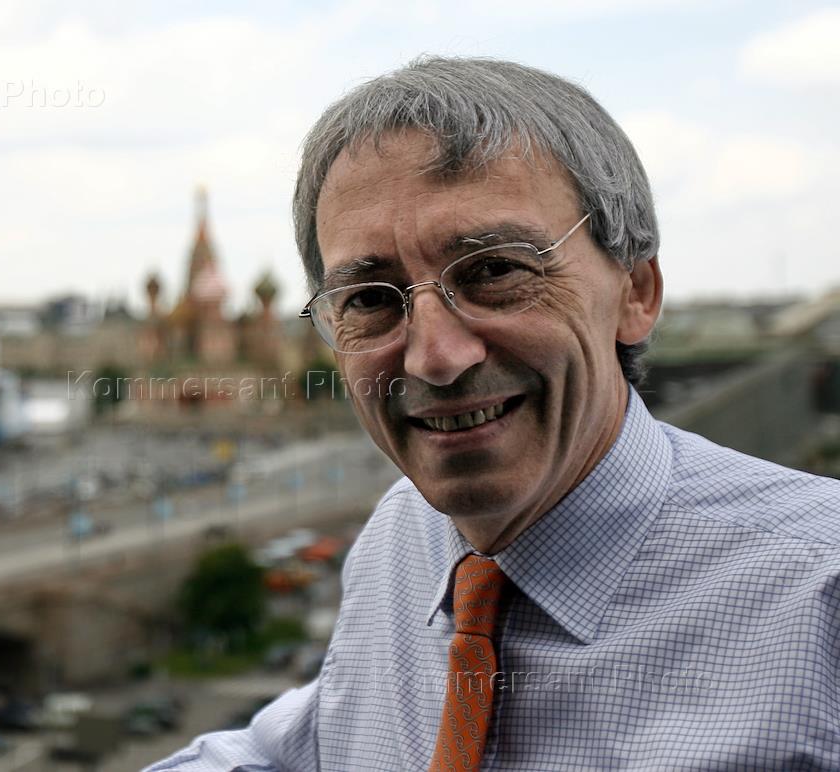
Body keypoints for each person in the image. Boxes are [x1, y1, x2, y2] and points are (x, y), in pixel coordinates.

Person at [145, 57, 840, 771]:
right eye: (370, 299)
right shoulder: (403, 537)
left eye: (496, 270)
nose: (434, 358)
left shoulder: (822, 596)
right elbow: (312, 744)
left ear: (635, 291)